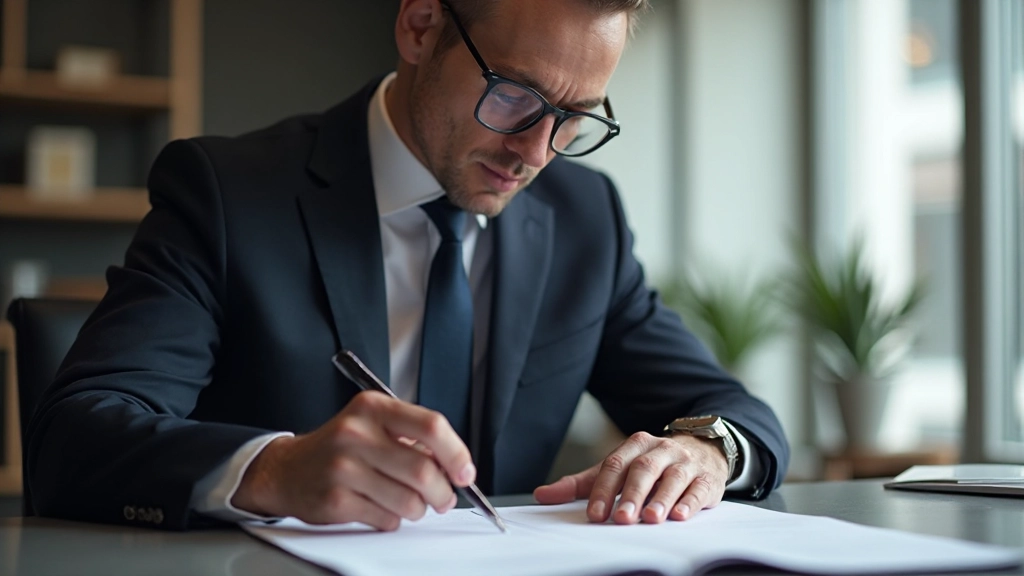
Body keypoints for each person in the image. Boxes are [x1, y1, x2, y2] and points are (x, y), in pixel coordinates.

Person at [26, 0, 789, 532]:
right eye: (515, 95)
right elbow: (77, 438)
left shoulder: (585, 221)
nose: (536, 151)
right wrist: (274, 471)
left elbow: (731, 408)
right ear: (421, 26)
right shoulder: (227, 195)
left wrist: (704, 450)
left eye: (576, 117)